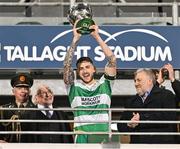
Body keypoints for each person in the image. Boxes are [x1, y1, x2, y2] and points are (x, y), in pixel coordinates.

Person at [63, 22, 117, 143]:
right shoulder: (73, 86)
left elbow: (112, 59)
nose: (85, 71)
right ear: (78, 72)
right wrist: (75, 39)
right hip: (82, 134)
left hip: (102, 134)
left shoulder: (105, 83)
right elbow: (66, 65)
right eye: (81, 68)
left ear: (94, 69)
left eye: (88, 67)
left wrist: (97, 36)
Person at [117, 68, 177, 144]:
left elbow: (169, 116)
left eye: (139, 80)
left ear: (149, 81)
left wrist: (141, 119)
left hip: (161, 145)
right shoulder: (131, 101)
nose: (136, 84)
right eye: (135, 81)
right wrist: (129, 124)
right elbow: (120, 126)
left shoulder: (166, 95)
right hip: (137, 145)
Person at [0, 73, 35, 143]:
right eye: (19, 88)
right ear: (13, 91)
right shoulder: (4, 110)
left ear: (29, 91)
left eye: (26, 88)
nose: (23, 91)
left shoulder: (36, 110)